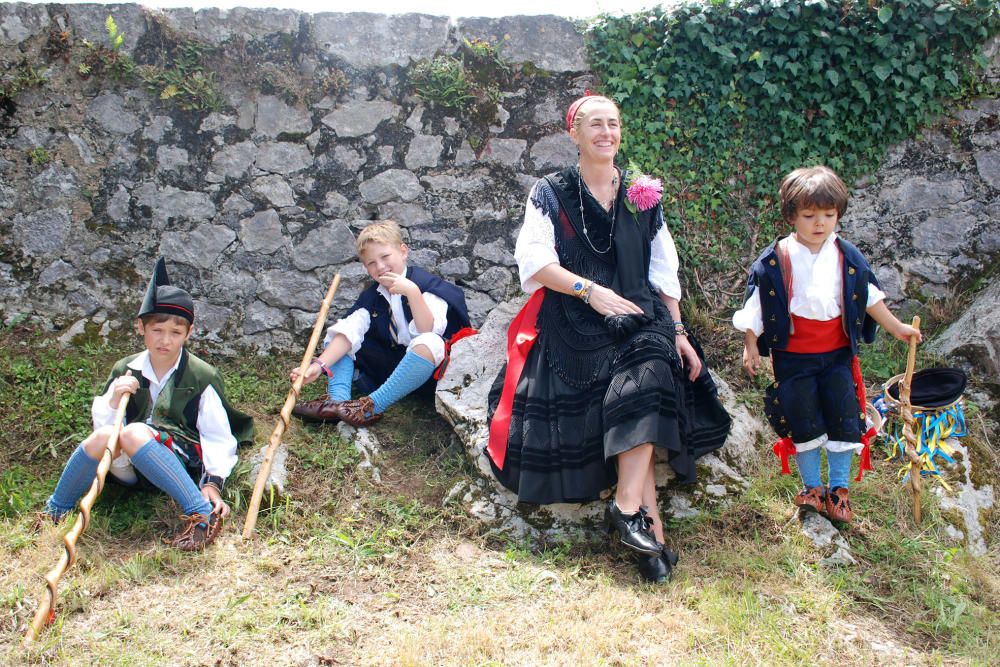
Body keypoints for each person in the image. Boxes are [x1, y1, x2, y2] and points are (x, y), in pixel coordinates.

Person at [486, 94, 731, 583]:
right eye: (594, 124)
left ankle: (625, 508)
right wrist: (590, 290)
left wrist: (679, 330)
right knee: (633, 380)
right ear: (573, 133)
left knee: (656, 364)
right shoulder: (551, 191)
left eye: (613, 124)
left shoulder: (643, 192)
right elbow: (534, 263)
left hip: (640, 310)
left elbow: (664, 272)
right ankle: (651, 533)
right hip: (577, 314)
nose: (606, 132)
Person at [733, 166, 922, 523]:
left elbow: (869, 298)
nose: (820, 223)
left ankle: (839, 490)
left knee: (843, 417)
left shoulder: (848, 258)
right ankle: (812, 489)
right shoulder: (774, 261)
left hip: (836, 355)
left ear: (838, 215)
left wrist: (897, 327)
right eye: (809, 215)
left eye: (828, 215)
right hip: (792, 358)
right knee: (801, 418)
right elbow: (756, 307)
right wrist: (751, 343)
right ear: (791, 215)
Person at [40, 257, 254, 550]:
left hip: (178, 467)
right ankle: (55, 509)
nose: (165, 340)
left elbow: (217, 436)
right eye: (157, 330)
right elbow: (106, 434)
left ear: (188, 333)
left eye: (176, 333)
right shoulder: (126, 369)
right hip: (129, 468)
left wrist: (211, 484)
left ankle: (201, 514)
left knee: (133, 433)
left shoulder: (200, 376)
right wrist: (115, 399)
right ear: (141, 327)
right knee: (106, 435)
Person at [291, 220, 472, 427]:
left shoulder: (427, 286)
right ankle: (337, 401)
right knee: (342, 336)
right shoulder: (372, 296)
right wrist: (318, 366)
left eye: (385, 257)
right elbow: (350, 330)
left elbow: (427, 330)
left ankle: (371, 406)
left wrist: (412, 292)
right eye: (371, 263)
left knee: (430, 341)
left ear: (403, 251)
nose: (381, 266)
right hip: (390, 367)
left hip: (430, 375)